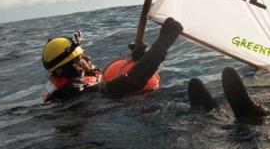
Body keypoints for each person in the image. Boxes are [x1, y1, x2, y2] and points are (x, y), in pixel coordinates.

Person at [41, 17, 183, 102]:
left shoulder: (70, 87)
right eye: (80, 58)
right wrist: (163, 43)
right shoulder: (75, 91)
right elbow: (131, 81)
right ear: (69, 67)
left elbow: (112, 81)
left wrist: (137, 59)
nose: (87, 58)